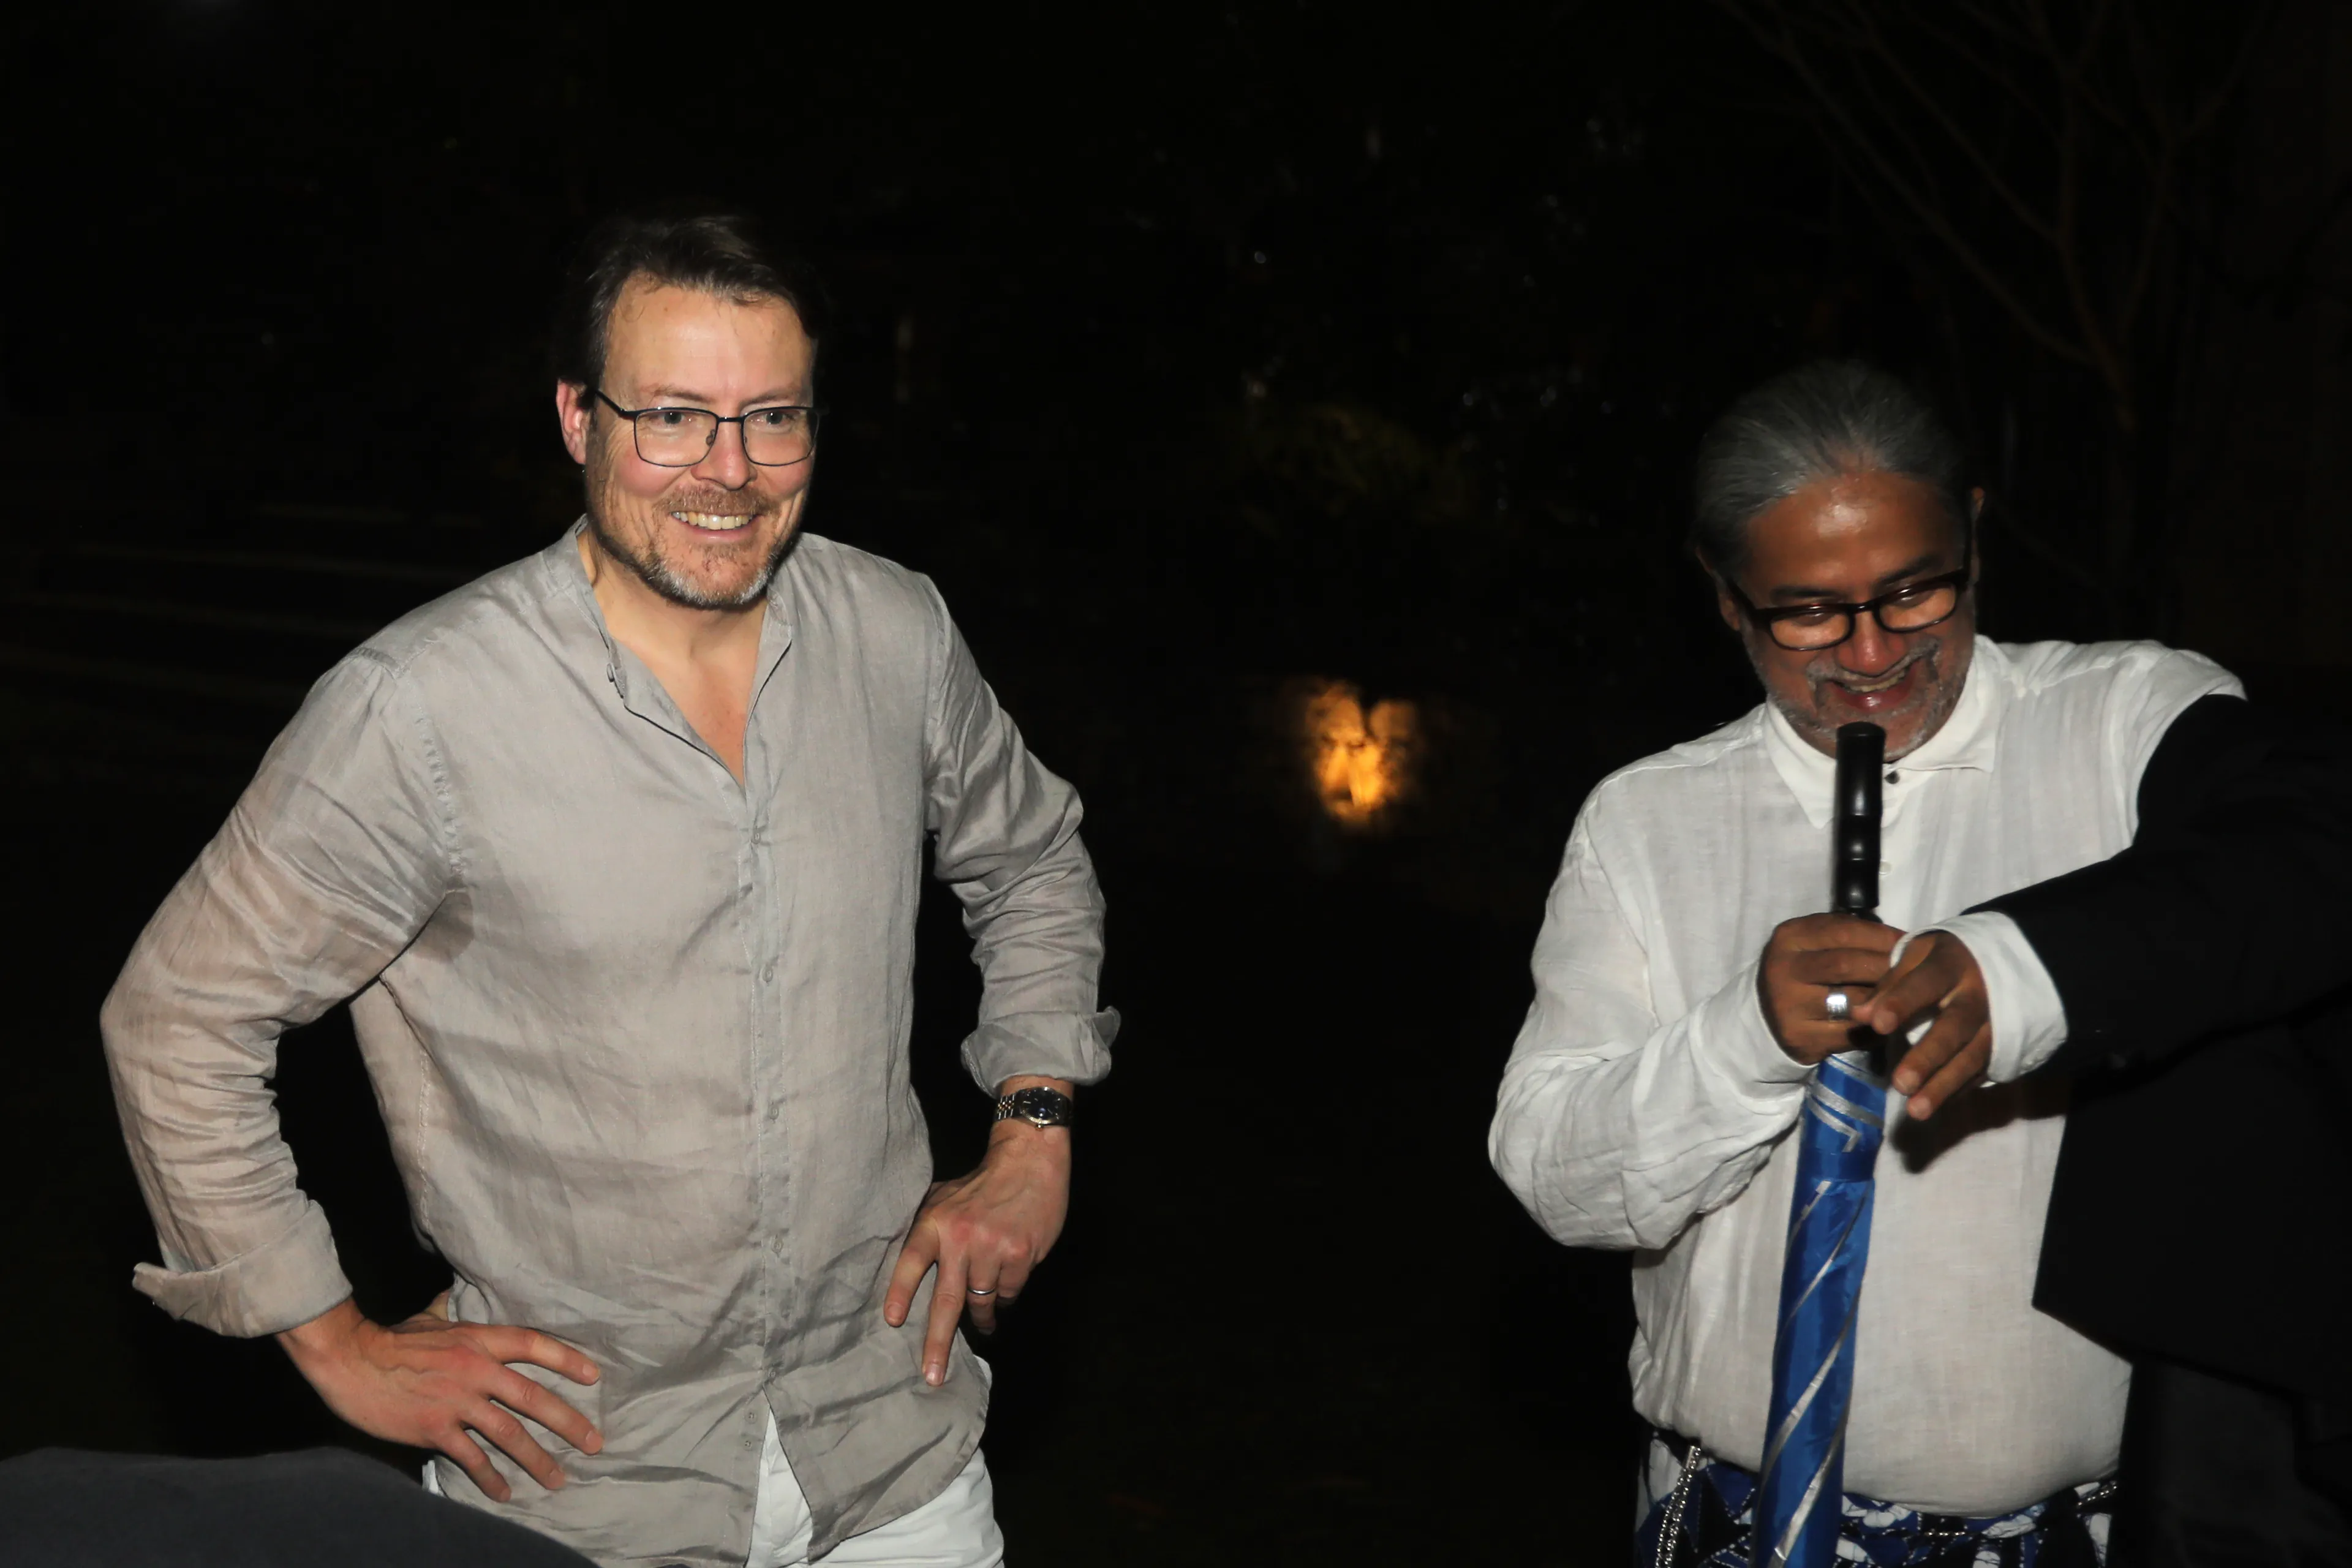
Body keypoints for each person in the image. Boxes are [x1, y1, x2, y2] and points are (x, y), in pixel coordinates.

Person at [100, 211, 1117, 1568]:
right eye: (673, 416)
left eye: (772, 418)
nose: (729, 470)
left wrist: (1035, 1126)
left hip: (896, 1454)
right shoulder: (421, 707)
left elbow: (1034, 857)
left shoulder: (894, 632)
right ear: (579, 417)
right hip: (577, 1483)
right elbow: (178, 1018)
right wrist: (334, 1341)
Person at [1489, 358, 2261, 1561]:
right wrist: (1743, 1038)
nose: (1868, 653)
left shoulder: (2124, 722)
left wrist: (2027, 968)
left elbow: (2277, 867)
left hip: (2065, 1530)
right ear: (1725, 597)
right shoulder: (1644, 818)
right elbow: (1555, 1178)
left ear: (1975, 533)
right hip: (1726, 1516)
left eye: (1914, 591)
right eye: (1806, 612)